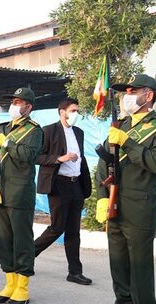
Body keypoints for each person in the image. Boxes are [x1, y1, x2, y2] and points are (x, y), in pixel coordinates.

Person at [96, 74, 156, 304]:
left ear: (149, 95)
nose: (127, 96)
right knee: (118, 262)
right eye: (124, 91)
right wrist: (102, 198)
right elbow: (103, 165)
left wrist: (127, 142)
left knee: (139, 265)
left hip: (140, 204)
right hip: (115, 203)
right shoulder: (121, 125)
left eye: (133, 90)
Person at [0, 88, 43, 304]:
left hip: (20, 192)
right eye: (13, 101)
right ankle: (9, 283)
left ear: (28, 107)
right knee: (3, 240)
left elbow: (28, 156)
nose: (14, 106)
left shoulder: (34, 131)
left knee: (21, 241)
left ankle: (22, 288)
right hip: (1, 189)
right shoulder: (3, 129)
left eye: (18, 102)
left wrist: (6, 143)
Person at [34, 98, 92, 285]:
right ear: (62, 112)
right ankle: (26, 256)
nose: (76, 114)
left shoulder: (79, 132)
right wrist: (60, 158)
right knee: (57, 227)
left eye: (77, 110)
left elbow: (81, 158)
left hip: (76, 185)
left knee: (73, 231)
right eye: (73, 110)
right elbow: (38, 156)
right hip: (58, 184)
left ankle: (75, 272)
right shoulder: (49, 130)